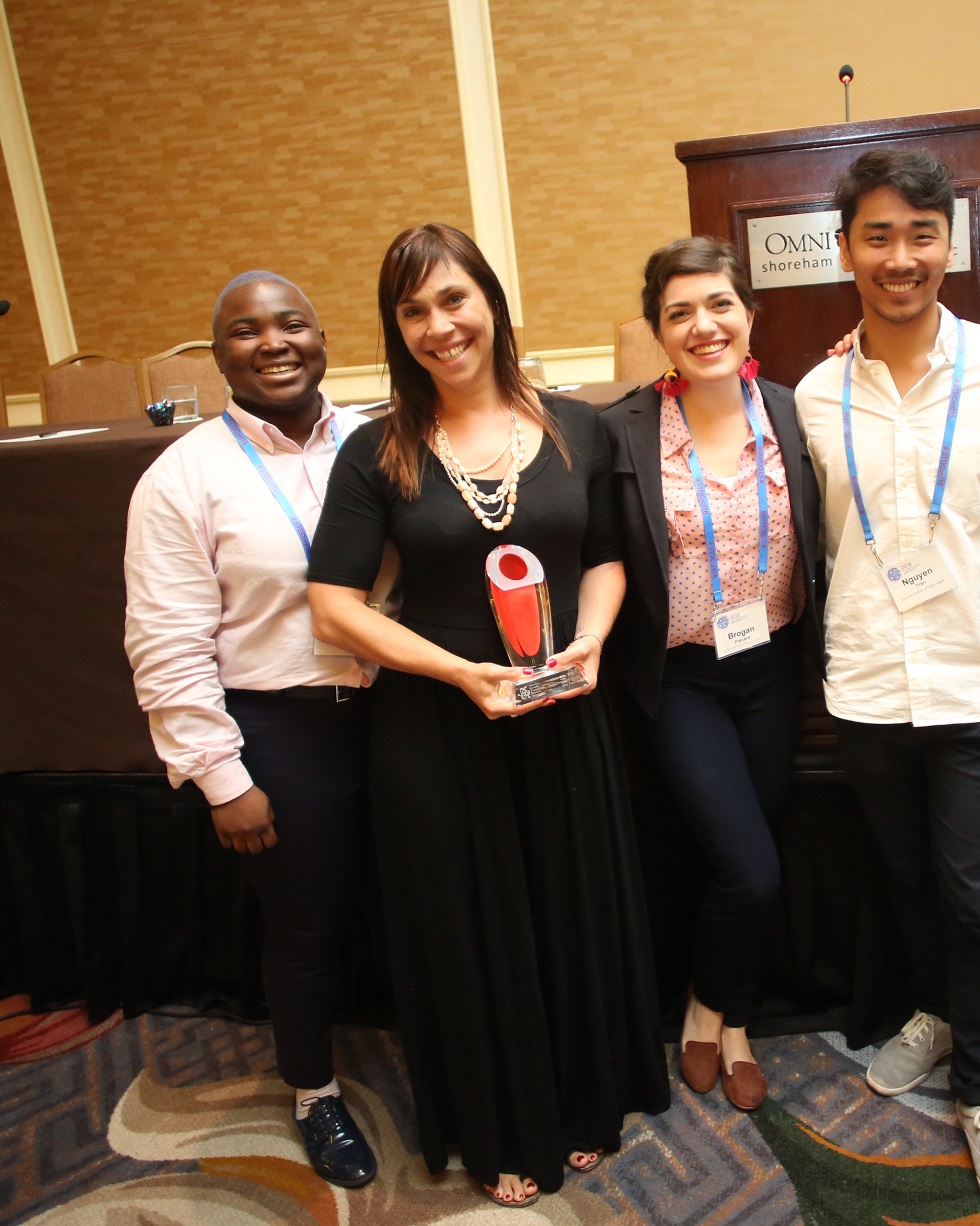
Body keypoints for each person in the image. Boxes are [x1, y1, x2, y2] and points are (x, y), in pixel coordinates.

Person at [306, 223, 668, 1209]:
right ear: (395, 328)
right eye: (413, 309)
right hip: (436, 725)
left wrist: (590, 639)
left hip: (560, 709)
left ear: (493, 302)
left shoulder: (573, 426)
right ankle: (501, 1123)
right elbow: (332, 603)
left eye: (454, 298)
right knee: (470, 929)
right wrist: (458, 672)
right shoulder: (374, 450)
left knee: (566, 904)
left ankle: (585, 1099)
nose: (439, 325)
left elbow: (603, 554)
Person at [794, 149, 980, 1224]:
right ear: (845, 247)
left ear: (952, 242)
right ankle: (938, 1012)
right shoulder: (810, 391)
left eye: (922, 234)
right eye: (879, 236)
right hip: (864, 684)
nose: (902, 258)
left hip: (976, 676)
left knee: (979, 896)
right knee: (907, 880)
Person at [123, 271, 379, 1187]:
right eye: (245, 330)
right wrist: (219, 778)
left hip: (401, 717)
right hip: (284, 727)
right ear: (218, 352)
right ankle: (314, 1093)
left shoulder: (378, 439)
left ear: (322, 337)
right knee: (305, 926)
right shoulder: (183, 476)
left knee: (429, 902)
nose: (273, 343)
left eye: (292, 324)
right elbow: (164, 641)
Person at [601, 238, 821, 1112]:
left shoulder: (797, 412)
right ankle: (706, 1009)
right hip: (681, 679)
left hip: (773, 668)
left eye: (719, 304)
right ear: (658, 330)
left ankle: (724, 1017)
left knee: (750, 856)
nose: (704, 325)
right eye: (680, 312)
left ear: (749, 312)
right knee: (749, 869)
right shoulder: (621, 430)